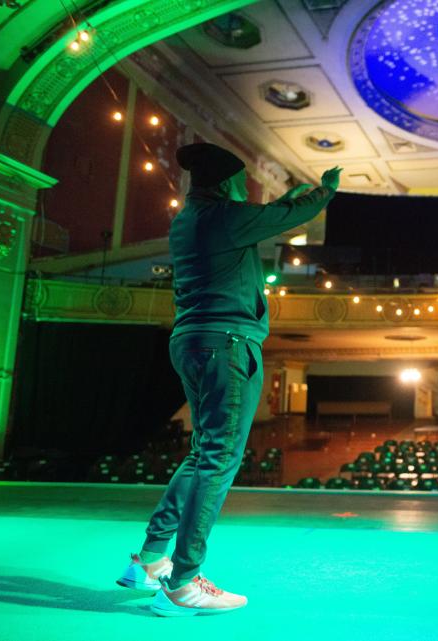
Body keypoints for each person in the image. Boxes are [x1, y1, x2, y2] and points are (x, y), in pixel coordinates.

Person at [115, 142, 341, 617]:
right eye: (241, 184)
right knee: (218, 458)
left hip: (193, 340)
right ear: (227, 185)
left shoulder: (188, 220)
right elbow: (280, 217)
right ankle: (182, 581)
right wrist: (323, 192)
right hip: (227, 344)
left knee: (203, 452)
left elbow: (270, 214)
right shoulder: (224, 216)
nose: (244, 191)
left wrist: (290, 200)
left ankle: (152, 557)